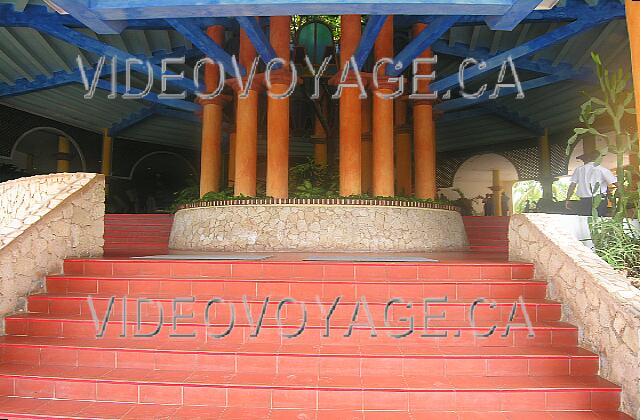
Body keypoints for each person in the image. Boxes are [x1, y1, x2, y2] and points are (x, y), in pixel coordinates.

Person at [565, 150, 617, 217]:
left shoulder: (579, 169)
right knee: (599, 222)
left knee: (586, 222)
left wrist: (567, 199)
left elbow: (572, 185)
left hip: (584, 202)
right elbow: (616, 184)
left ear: (589, 158)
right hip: (599, 201)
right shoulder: (603, 170)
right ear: (600, 158)